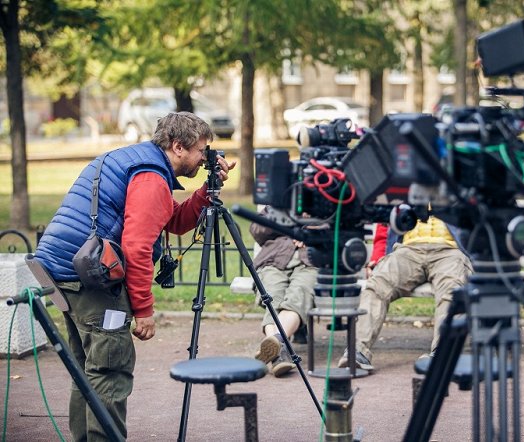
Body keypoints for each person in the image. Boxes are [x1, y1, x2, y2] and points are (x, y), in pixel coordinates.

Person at [34, 112, 236, 441]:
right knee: (109, 369)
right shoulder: (151, 177)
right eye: (202, 150)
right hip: (89, 278)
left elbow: (174, 221)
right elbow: (138, 247)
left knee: (89, 369)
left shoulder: (138, 161)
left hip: (64, 270)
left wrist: (205, 192)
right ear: (178, 147)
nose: (205, 158)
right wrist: (143, 310)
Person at [338, 216, 473, 372]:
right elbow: (386, 221)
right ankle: (358, 351)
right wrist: (377, 258)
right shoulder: (405, 191)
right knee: (376, 285)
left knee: (452, 292)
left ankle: (442, 354)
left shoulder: (459, 192)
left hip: (450, 251)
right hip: (408, 250)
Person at [250, 208, 318, 377]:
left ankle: (277, 345)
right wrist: (285, 217)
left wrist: (311, 230)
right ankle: (280, 352)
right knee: (271, 297)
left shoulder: (326, 201)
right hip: (274, 261)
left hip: (311, 262)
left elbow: (342, 229)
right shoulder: (277, 203)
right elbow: (256, 231)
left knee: (300, 294)